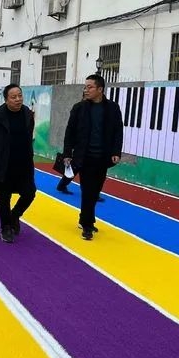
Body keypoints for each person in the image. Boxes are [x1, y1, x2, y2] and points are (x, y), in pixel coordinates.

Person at [62, 74, 123, 240]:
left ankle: (84, 218)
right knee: (88, 190)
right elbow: (69, 131)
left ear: (100, 89)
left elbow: (118, 131)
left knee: (95, 190)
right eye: (85, 87)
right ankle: (87, 225)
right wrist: (67, 153)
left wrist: (116, 152)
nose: (86, 90)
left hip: (103, 158)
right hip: (84, 157)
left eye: (90, 87)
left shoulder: (112, 108)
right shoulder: (79, 108)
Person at [0, 84, 37, 244]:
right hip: (4, 163)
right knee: (4, 196)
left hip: (24, 162)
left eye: (20, 96)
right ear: (6, 99)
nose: (18, 99)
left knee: (29, 193)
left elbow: (29, 135)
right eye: (13, 97)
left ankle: (15, 215)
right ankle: (5, 227)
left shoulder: (27, 114)